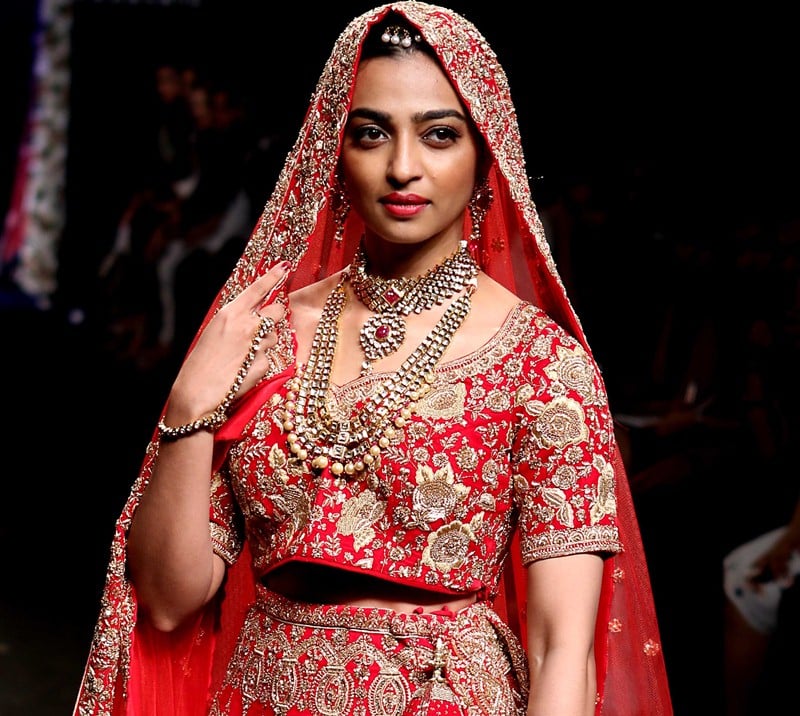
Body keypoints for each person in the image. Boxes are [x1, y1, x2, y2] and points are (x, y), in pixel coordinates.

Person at [72, 3, 672, 714]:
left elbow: (559, 649)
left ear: (486, 158)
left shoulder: (542, 365)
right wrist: (186, 413)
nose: (402, 168)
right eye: (371, 133)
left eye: (440, 135)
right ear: (335, 150)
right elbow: (169, 604)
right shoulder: (266, 336)